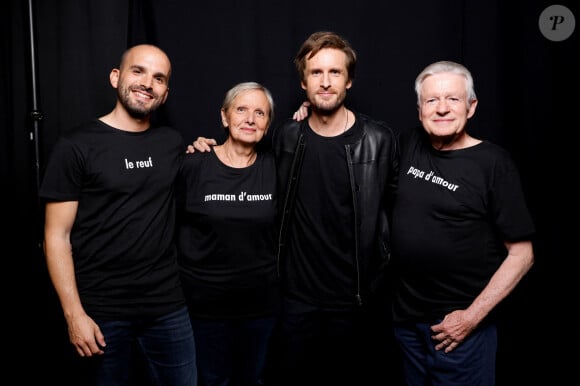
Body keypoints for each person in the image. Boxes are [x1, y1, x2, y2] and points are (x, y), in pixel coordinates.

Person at [192, 31, 400, 386]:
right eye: (316, 73)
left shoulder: (379, 141)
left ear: (349, 80)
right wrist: (200, 148)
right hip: (293, 300)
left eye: (335, 72)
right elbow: (242, 156)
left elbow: (398, 215)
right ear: (303, 82)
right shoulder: (286, 136)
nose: (325, 82)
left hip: (356, 301)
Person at [39, 44, 197, 386]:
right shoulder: (76, 145)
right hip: (101, 312)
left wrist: (203, 147)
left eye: (158, 78)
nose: (147, 83)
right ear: (116, 77)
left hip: (167, 307)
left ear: (165, 93)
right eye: (138, 71)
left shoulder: (171, 142)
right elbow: (55, 236)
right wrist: (74, 315)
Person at [390, 60, 535, 386]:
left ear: (471, 107)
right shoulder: (408, 144)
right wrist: (310, 112)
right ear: (419, 110)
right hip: (406, 323)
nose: (442, 109)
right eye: (432, 100)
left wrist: (470, 318)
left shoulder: (493, 163)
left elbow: (522, 255)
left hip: (459, 330)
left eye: (453, 99)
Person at [176, 81, 279, 386]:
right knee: (212, 380)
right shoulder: (193, 164)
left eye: (260, 113)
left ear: (268, 124)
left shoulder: (277, 167)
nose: (250, 119)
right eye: (242, 109)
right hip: (204, 307)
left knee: (254, 379)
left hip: (261, 306)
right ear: (224, 117)